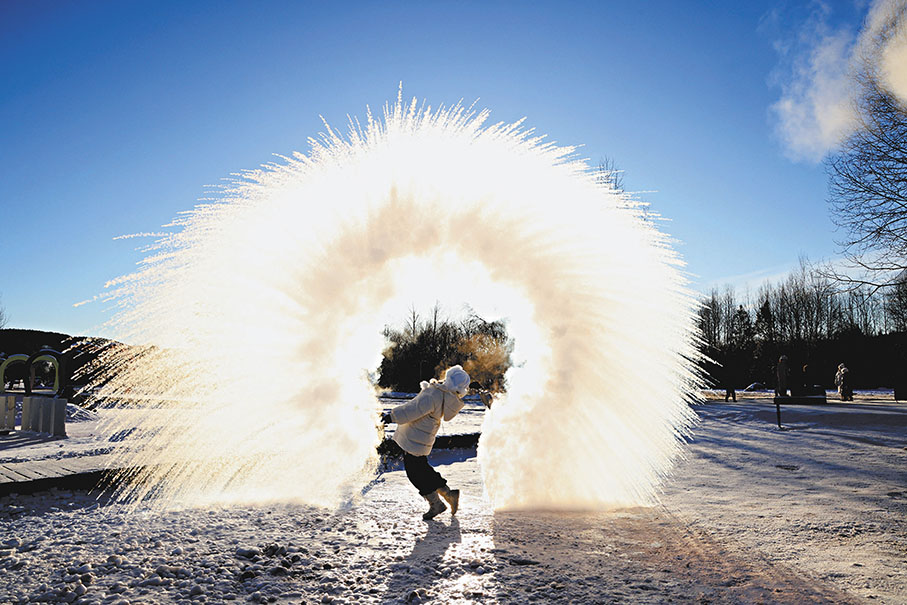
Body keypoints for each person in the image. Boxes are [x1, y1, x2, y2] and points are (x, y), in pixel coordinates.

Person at [380, 365, 473, 520]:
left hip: (414, 438)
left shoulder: (433, 395)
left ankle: (436, 503)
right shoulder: (446, 396)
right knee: (422, 469)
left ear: (449, 379)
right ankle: (448, 494)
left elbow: (412, 410)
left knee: (415, 473)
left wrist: (392, 416)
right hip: (422, 438)